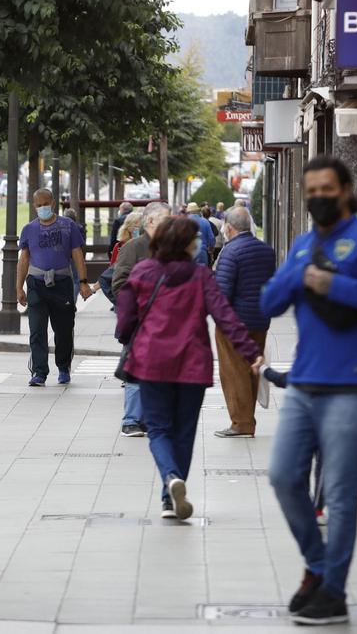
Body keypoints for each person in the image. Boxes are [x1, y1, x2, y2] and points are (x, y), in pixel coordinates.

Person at [260, 155, 357, 625]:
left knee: (341, 495)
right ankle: (317, 565)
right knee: (284, 477)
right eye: (311, 192)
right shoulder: (305, 243)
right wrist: (299, 270)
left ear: (345, 189)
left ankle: (333, 591)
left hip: (356, 384)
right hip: (306, 383)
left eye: (326, 189)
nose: (318, 199)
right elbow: (269, 300)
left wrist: (335, 284)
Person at [116, 216, 263, 520]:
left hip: (152, 364)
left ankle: (170, 480)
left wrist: (130, 335)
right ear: (189, 245)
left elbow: (125, 321)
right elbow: (225, 316)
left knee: (158, 429)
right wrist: (250, 352)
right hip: (192, 366)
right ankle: (170, 498)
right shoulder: (201, 276)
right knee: (184, 433)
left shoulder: (143, 272)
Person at [16, 188, 92, 387]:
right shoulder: (29, 229)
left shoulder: (68, 226)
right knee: (37, 330)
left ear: (53, 202)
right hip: (36, 283)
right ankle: (39, 372)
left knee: (64, 329)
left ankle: (63, 367)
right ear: (34, 206)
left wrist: (83, 282)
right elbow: (24, 259)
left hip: (62, 283)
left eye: (45, 203)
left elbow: (77, 254)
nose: (42, 208)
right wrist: (19, 287)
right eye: (38, 205)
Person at [212, 206, 276, 438]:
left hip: (234, 322)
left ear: (229, 227)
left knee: (233, 371)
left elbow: (223, 291)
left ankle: (241, 423)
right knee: (252, 369)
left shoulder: (231, 252)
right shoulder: (266, 250)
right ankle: (247, 419)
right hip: (260, 319)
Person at [112, 203, 170, 438]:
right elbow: (119, 284)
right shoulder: (133, 248)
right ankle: (132, 420)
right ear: (150, 222)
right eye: (167, 219)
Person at [98, 211, 142, 304]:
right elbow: (113, 270)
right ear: (129, 227)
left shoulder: (146, 244)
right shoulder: (119, 246)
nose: (139, 230)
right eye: (137, 227)